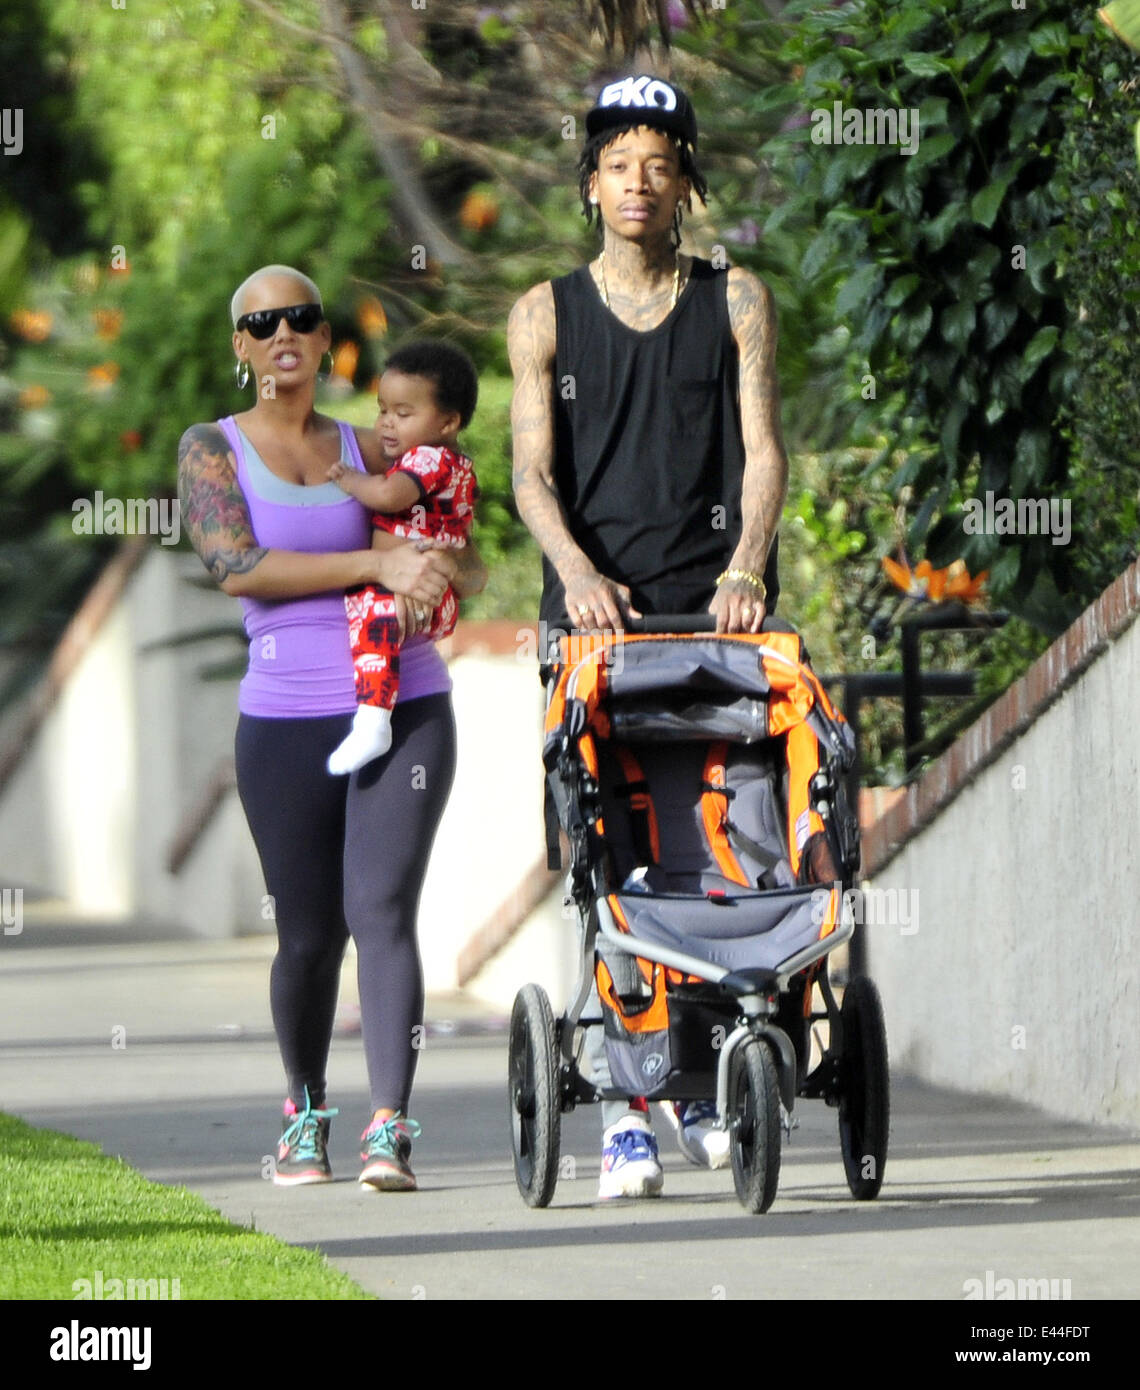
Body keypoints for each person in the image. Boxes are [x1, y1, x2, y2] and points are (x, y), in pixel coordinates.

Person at [508, 75, 789, 1198]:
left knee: (723, 847)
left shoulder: (737, 301)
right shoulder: (543, 312)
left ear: (685, 185)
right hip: (596, 628)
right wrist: (576, 574)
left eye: (660, 163)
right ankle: (631, 1105)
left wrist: (745, 564)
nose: (639, 181)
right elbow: (530, 473)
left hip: (713, 615)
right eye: (618, 162)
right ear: (591, 184)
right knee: (605, 856)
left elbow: (763, 450)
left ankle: (714, 1075)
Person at [178, 265, 485, 1192]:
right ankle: (304, 1113)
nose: (283, 334)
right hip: (282, 719)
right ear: (243, 347)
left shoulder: (379, 445)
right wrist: (376, 558)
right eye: (261, 322)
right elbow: (237, 565)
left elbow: (457, 562)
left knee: (382, 911)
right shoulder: (211, 448)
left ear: (321, 340)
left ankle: (389, 1127)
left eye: (300, 318)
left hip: (405, 706)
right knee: (309, 936)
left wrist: (439, 567)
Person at [325, 341, 479, 775]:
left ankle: (374, 719)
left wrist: (351, 479)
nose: (386, 424)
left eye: (403, 413)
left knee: (372, 612)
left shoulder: (428, 459)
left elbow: (391, 496)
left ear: (448, 422)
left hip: (421, 591)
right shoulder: (455, 463)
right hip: (435, 597)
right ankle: (373, 717)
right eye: (382, 410)